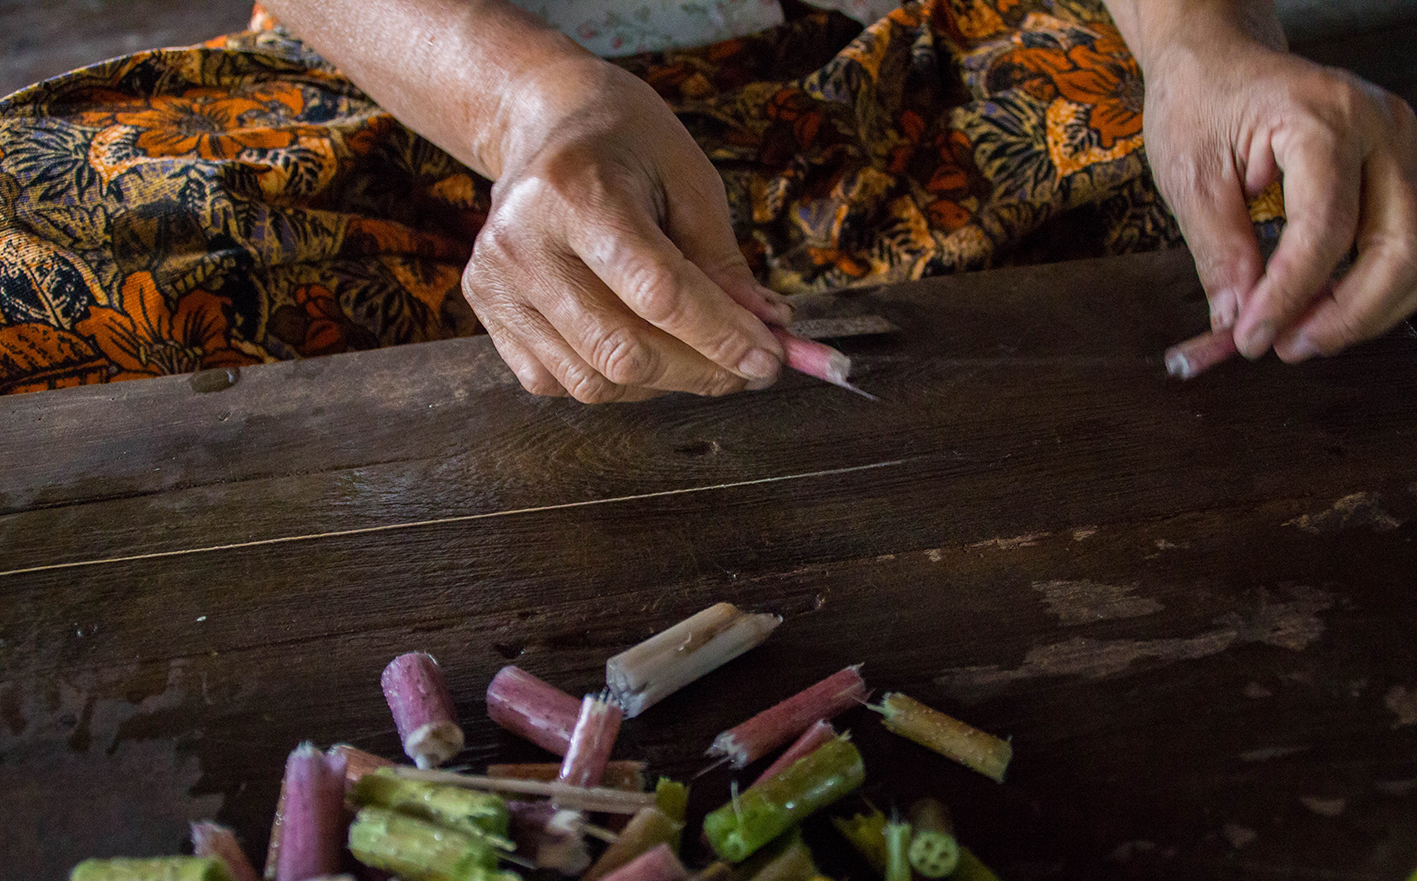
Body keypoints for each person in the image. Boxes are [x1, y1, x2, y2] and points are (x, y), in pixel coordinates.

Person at [0, 0, 1412, 399]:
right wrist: (529, 107)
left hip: (866, 66)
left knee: (1302, 198)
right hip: (422, 70)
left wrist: (1202, 49)